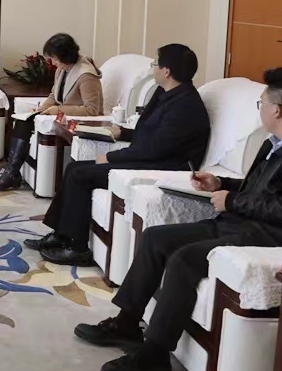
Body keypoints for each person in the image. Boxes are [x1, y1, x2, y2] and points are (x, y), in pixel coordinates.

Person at [75, 67, 282, 371]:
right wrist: (221, 183)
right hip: (247, 224)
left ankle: (155, 355)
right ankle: (127, 323)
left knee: (184, 258)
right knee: (156, 238)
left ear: (277, 110)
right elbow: (263, 189)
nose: (260, 109)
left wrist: (233, 202)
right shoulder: (279, 142)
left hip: (278, 240)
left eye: (261, 103)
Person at [27, 44, 211, 265]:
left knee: (80, 174)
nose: (152, 68)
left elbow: (156, 149)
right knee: (74, 167)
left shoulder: (185, 106)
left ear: (166, 71)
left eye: (155, 64)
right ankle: (61, 235)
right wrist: (122, 132)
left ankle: (77, 248)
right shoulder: (165, 93)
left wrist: (111, 158)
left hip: (165, 166)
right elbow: (151, 132)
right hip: (151, 157)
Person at [0, 33, 103, 190]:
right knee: (24, 121)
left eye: (55, 59)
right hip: (63, 113)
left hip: (79, 119)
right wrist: (41, 109)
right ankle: (11, 172)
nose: (53, 62)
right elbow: (54, 95)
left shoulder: (86, 75)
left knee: (26, 124)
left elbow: (92, 110)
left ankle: (11, 175)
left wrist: (58, 110)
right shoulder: (62, 69)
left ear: (65, 56)